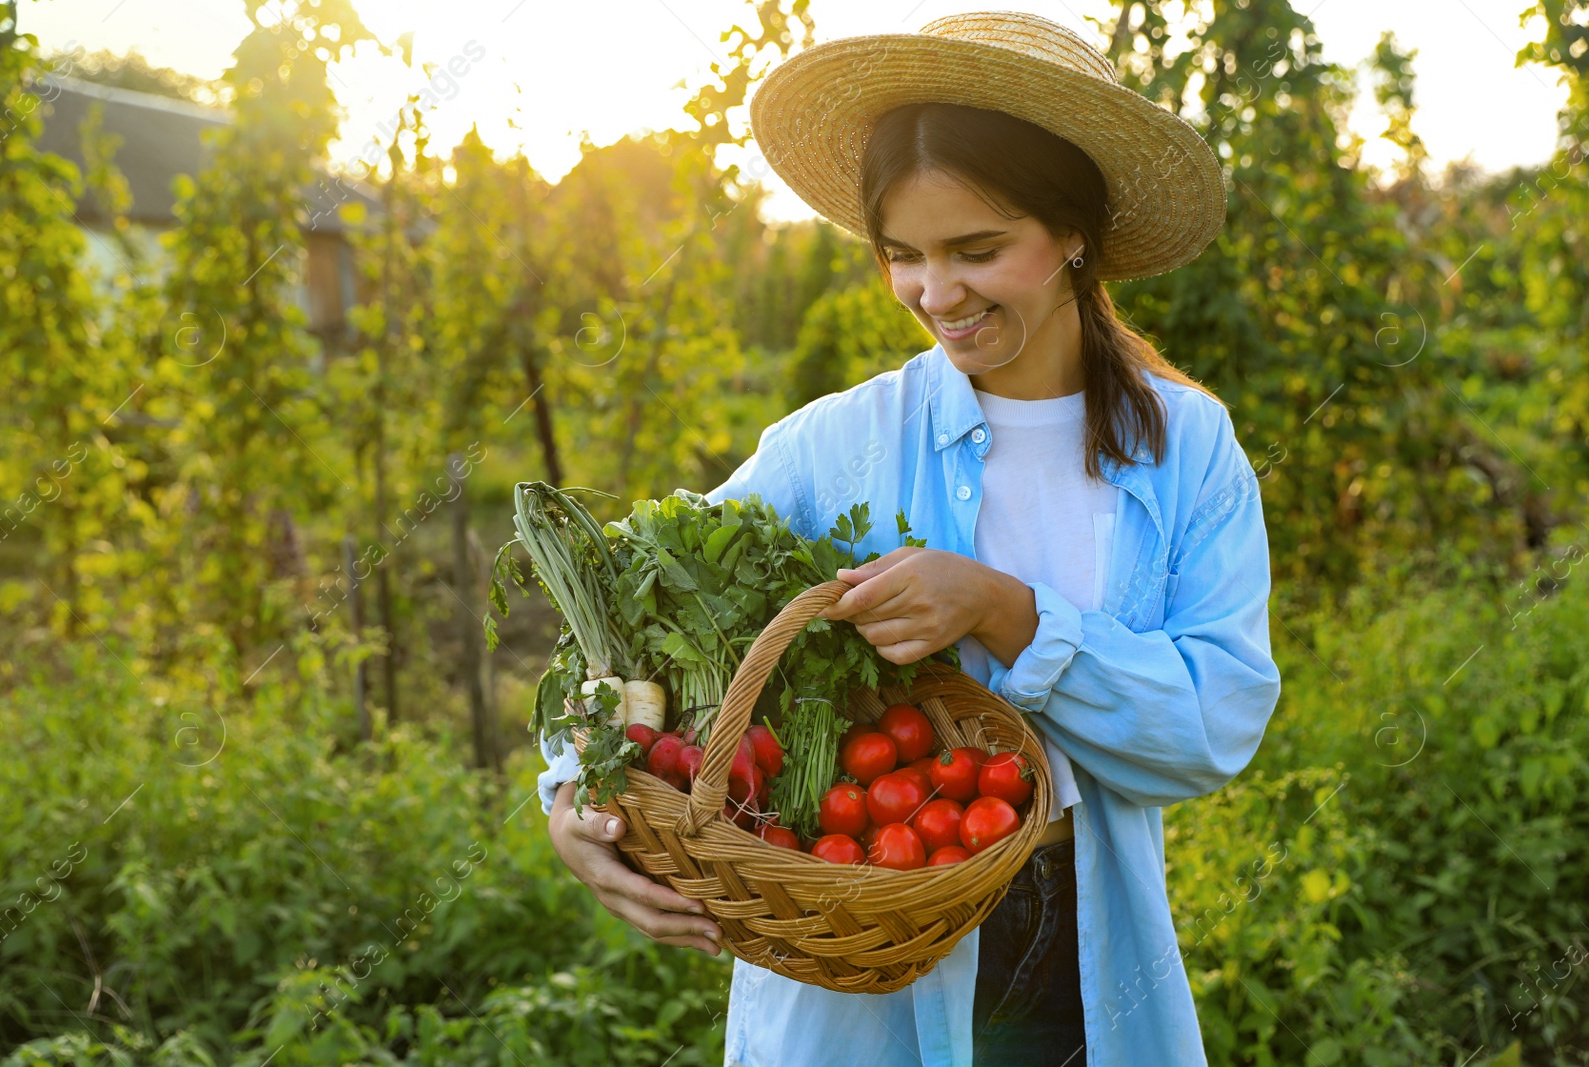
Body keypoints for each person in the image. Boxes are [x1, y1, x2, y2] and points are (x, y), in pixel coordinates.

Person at [539, 12, 1281, 1066]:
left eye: (978, 250)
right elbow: (628, 613)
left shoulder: (1184, 448)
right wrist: (573, 789)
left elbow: (1212, 725)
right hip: (851, 940)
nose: (937, 295)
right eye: (904, 256)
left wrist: (1004, 610)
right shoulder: (831, 446)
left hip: (1078, 935)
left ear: (1074, 232)